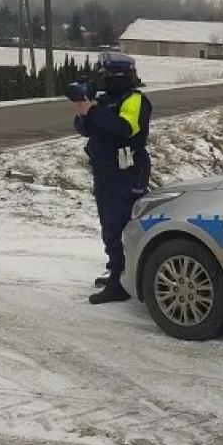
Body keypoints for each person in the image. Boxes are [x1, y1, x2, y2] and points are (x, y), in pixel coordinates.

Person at [73, 52, 152, 304]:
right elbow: (85, 129)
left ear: (123, 76)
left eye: (109, 75)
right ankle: (117, 270)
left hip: (127, 171)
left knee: (121, 224)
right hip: (106, 170)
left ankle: (121, 281)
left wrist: (93, 111)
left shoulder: (135, 100)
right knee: (110, 225)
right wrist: (82, 110)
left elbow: (126, 128)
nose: (105, 79)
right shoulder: (106, 101)